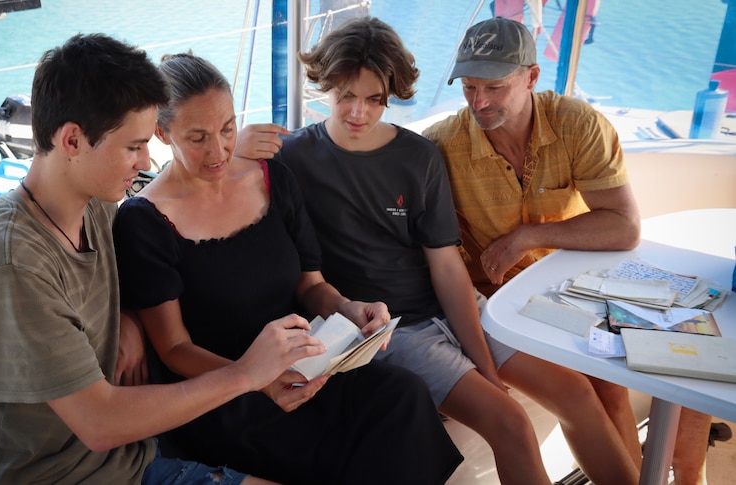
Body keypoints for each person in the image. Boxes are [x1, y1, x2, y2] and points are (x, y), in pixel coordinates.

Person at [236, 16, 642, 485]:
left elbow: (448, 270)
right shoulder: (293, 157)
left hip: (458, 306)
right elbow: (208, 178)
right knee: (511, 423)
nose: (358, 113)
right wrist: (240, 146)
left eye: (374, 100)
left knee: (576, 394)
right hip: (390, 329)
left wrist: (486, 368)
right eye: (345, 94)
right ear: (325, 86)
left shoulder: (419, 155)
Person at [0, 33, 329, 485]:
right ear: (72, 140)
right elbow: (99, 423)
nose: (145, 162)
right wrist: (246, 374)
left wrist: (129, 316)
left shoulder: (96, 206)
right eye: (133, 147)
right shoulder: (10, 261)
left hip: (131, 458)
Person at [111, 52, 462, 485]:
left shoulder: (273, 178)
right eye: (197, 137)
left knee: (402, 396)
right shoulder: (144, 221)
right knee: (331, 446)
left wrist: (350, 308)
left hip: (305, 367)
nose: (219, 150)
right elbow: (174, 350)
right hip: (226, 392)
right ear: (163, 133)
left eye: (227, 129)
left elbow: (310, 284)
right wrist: (257, 379)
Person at [421, 17, 719, 485]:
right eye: (469, 87)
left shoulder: (577, 123)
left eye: (495, 87)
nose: (479, 102)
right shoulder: (439, 145)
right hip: (500, 300)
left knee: (623, 388)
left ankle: (663, 475)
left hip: (577, 283)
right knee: (590, 389)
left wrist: (524, 236)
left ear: (532, 78)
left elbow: (623, 227)